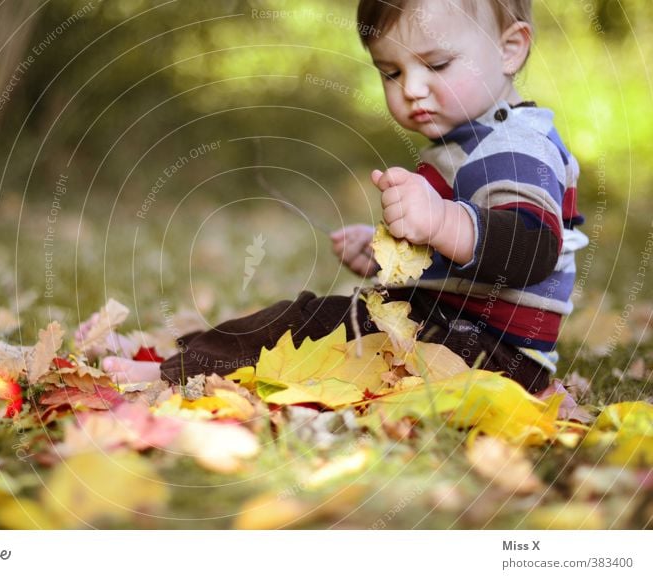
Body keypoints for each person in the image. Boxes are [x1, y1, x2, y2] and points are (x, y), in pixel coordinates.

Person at [123, 0, 587, 393]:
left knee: (313, 325)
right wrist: (394, 251)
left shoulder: (514, 145)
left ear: (510, 49)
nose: (412, 89)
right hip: (457, 335)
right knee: (320, 321)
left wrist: (442, 221)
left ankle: (180, 372)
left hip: (487, 352)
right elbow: (466, 253)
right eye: (391, 72)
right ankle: (192, 353)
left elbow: (530, 250)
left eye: (437, 64)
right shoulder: (469, 141)